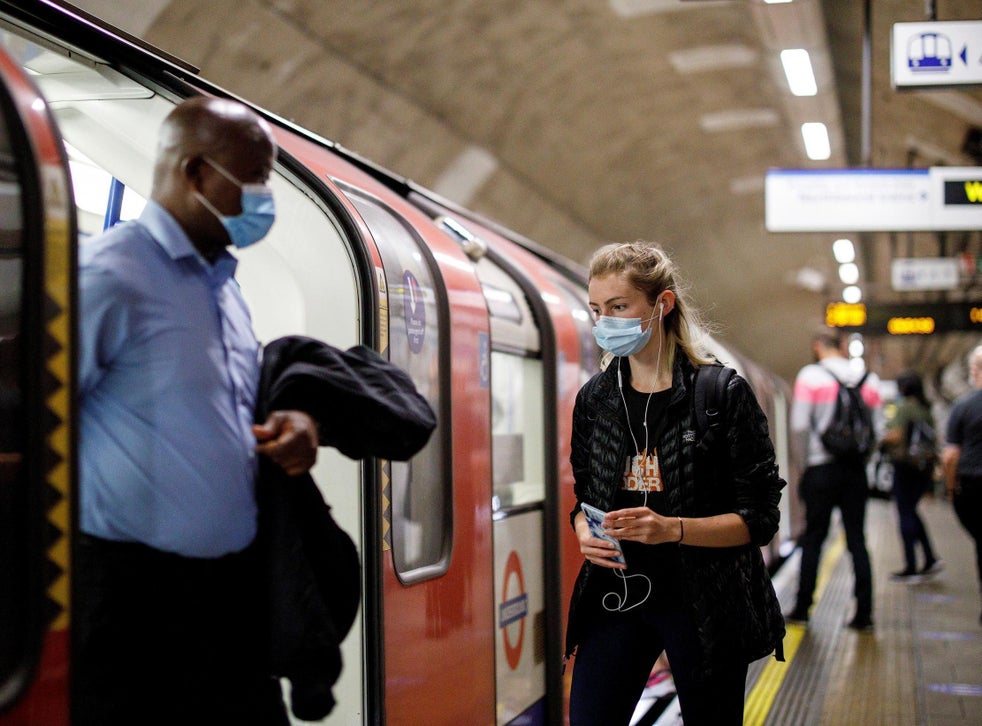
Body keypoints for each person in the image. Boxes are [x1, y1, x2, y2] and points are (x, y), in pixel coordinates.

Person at [75, 96, 319, 725]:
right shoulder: (109, 278)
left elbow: (222, 412)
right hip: (132, 603)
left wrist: (290, 429)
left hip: (226, 597)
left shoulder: (224, 289)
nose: (263, 197)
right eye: (254, 178)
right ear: (193, 173)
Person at [563, 241, 786, 726]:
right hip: (616, 593)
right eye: (597, 310)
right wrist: (583, 527)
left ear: (661, 305)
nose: (605, 322)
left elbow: (761, 517)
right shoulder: (596, 400)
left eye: (619, 307)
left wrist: (674, 529)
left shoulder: (720, 395)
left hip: (703, 602)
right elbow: (584, 497)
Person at [787, 328, 882, 631]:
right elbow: (876, 431)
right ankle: (864, 613)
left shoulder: (810, 376)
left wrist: (803, 465)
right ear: (842, 346)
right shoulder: (868, 379)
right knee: (857, 540)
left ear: (817, 346)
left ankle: (803, 607)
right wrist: (863, 460)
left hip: (820, 468)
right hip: (855, 471)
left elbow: (800, 426)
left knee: (813, 537)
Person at [881, 370, 942, 582]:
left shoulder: (904, 407)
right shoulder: (926, 409)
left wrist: (881, 440)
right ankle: (930, 558)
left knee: (905, 513)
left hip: (905, 466)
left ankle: (911, 565)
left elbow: (896, 436)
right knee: (912, 511)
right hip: (922, 468)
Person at [942, 344, 982, 625]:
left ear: (975, 371)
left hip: (973, 489)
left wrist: (949, 488)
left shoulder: (963, 407)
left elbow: (950, 456)